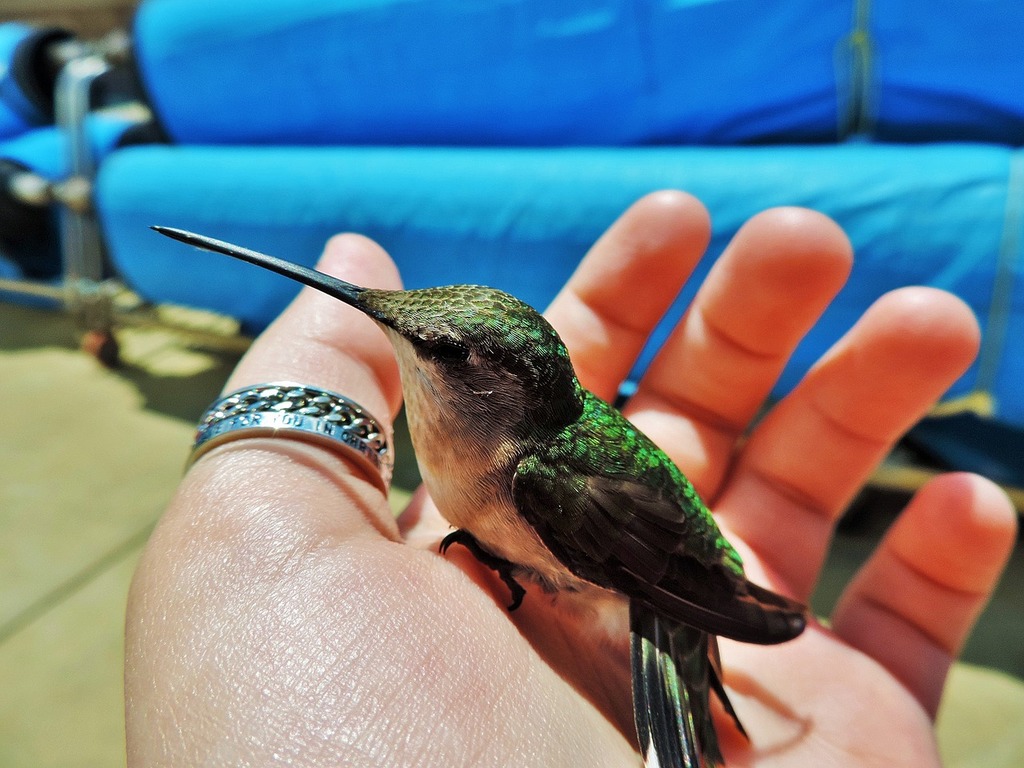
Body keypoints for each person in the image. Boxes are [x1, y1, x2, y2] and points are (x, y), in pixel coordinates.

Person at [125, 191, 1017, 766]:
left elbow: (629, 566)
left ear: (490, 387)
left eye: (441, 348)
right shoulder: (493, 440)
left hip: (655, 594)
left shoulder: (541, 472)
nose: (401, 332)